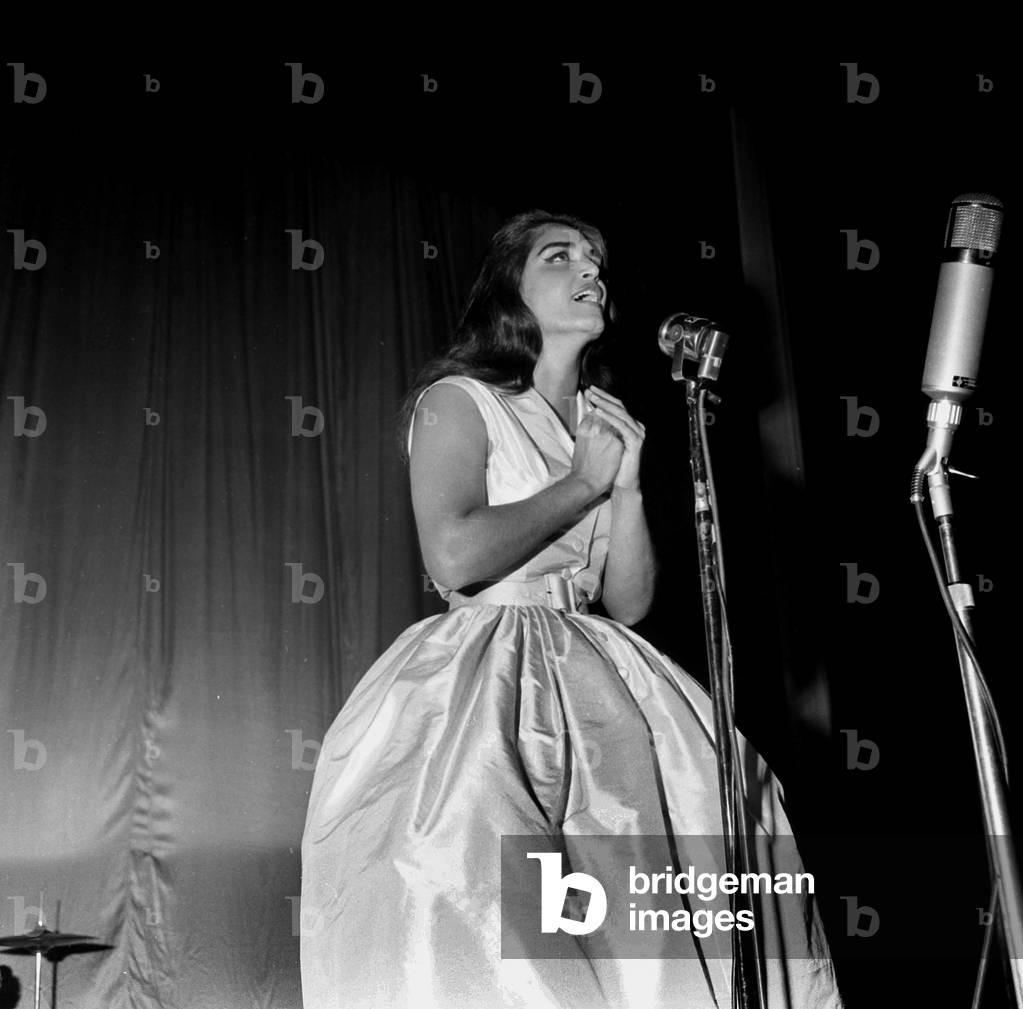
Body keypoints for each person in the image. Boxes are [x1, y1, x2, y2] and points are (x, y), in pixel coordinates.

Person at [300, 210, 844, 1008]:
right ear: (510, 292)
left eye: (596, 260)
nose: (590, 270)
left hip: (595, 668)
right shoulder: (458, 401)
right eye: (559, 257)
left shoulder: (605, 420)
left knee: (646, 895)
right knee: (485, 900)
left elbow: (627, 600)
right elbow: (451, 555)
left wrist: (621, 488)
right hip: (483, 675)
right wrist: (582, 484)